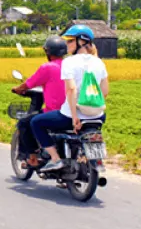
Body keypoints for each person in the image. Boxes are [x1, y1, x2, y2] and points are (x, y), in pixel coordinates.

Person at [30, 25, 110, 173]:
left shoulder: (69, 62)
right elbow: (104, 91)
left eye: (70, 41)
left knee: (36, 122)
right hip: (98, 116)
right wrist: (91, 109)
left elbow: (71, 89)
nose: (66, 45)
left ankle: (55, 158)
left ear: (81, 42)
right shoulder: (99, 62)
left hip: (70, 115)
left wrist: (74, 117)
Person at [11, 36, 67, 163]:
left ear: (48, 52)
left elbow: (29, 83)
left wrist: (18, 88)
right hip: (73, 111)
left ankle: (33, 157)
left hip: (54, 112)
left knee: (24, 123)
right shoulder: (70, 66)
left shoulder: (47, 67)